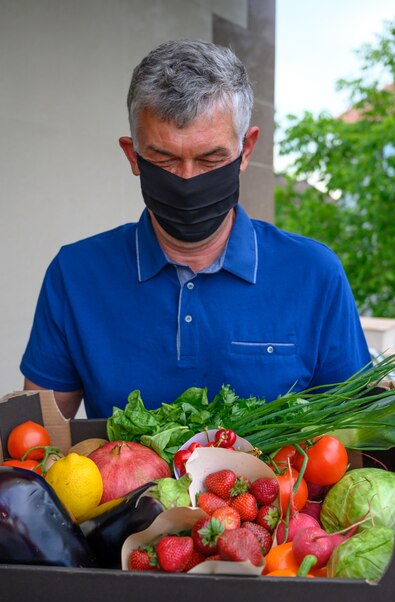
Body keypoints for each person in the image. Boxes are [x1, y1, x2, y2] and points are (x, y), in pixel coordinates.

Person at [21, 39, 371, 420]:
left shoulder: (314, 274)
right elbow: (37, 441)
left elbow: (356, 435)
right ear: (132, 155)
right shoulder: (76, 275)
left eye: (211, 158)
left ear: (246, 150)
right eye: (165, 158)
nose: (187, 179)